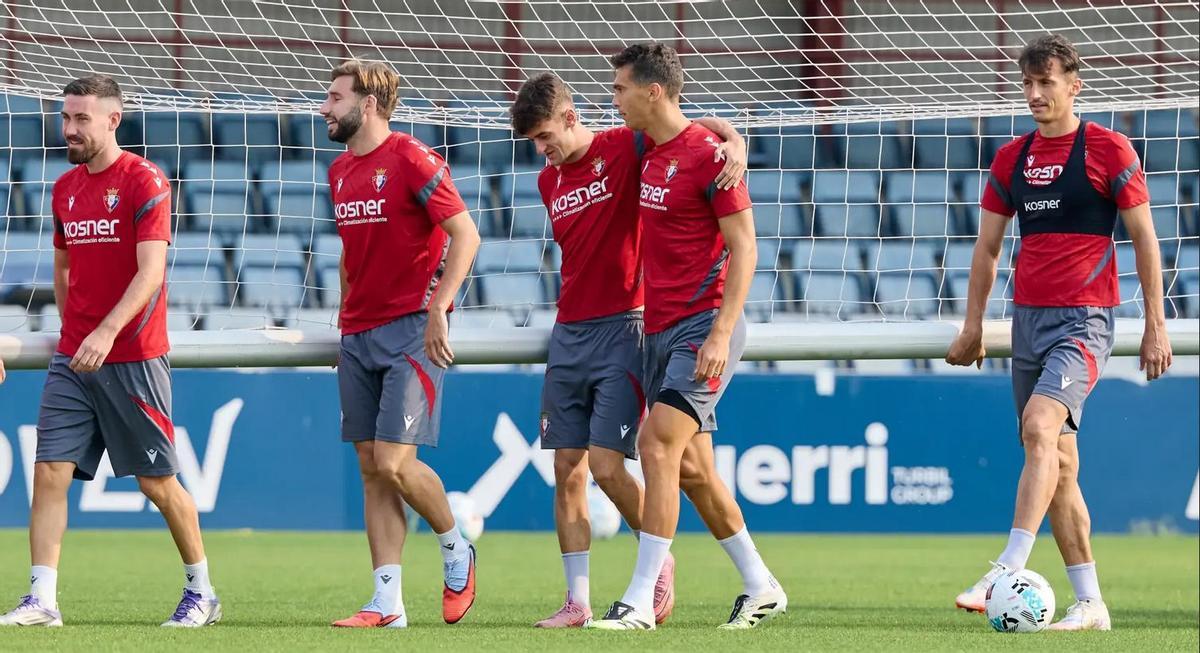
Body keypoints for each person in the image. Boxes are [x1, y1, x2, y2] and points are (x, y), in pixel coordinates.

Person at [946, 34, 1172, 631]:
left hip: (1085, 320)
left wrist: (1155, 324)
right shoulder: (1010, 159)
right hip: (1027, 321)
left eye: (1046, 82)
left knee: (1039, 425)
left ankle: (1007, 566)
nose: (1035, 94)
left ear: (1074, 85)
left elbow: (1145, 239)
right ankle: (1090, 601)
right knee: (1060, 464)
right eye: (1027, 83)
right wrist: (974, 324)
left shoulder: (1108, 149)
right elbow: (987, 249)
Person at [509, 72, 747, 628]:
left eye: (545, 136)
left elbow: (687, 129)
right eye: (534, 144)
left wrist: (732, 139)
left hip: (626, 328)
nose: (542, 151)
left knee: (609, 466)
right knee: (566, 466)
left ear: (570, 116)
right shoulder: (550, 182)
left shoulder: (627, 145)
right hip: (568, 332)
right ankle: (577, 601)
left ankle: (656, 564)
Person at [0, 75, 221, 628]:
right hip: (75, 357)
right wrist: (78, 329)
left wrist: (106, 331)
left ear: (112, 120)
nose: (69, 128)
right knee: (49, 470)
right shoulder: (64, 188)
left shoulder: (144, 180)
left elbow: (152, 273)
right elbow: (65, 265)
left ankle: (202, 591)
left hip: (133, 356)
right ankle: (42, 600)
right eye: (66, 117)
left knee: (157, 483)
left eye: (81, 119)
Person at [591, 43, 786, 631]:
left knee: (654, 447)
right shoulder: (651, 145)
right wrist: (732, 131)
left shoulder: (708, 159)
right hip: (659, 329)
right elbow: (692, 120)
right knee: (695, 471)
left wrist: (723, 333)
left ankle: (640, 601)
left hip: (704, 326)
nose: (613, 97)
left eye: (621, 87)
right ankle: (762, 586)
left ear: (652, 91)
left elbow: (745, 246)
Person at [320, 59, 482, 629]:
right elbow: (349, 250)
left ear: (367, 104)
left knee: (394, 462)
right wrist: (344, 312)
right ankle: (386, 603)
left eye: (335, 98)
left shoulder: (413, 158)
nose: (325, 107)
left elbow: (466, 233)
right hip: (358, 332)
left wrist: (439, 305)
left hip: (411, 328)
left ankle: (456, 548)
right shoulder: (339, 170)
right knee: (371, 467)